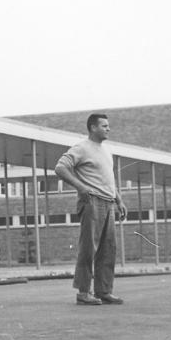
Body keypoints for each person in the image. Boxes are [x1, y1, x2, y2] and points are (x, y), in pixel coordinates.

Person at [54, 113, 128, 305]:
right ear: (93, 127)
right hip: (91, 201)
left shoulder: (106, 150)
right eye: (104, 126)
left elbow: (107, 178)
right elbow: (61, 168)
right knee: (89, 248)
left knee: (108, 248)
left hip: (108, 202)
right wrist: (80, 187)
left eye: (108, 126)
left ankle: (103, 290)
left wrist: (119, 200)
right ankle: (83, 292)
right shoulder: (81, 148)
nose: (108, 129)